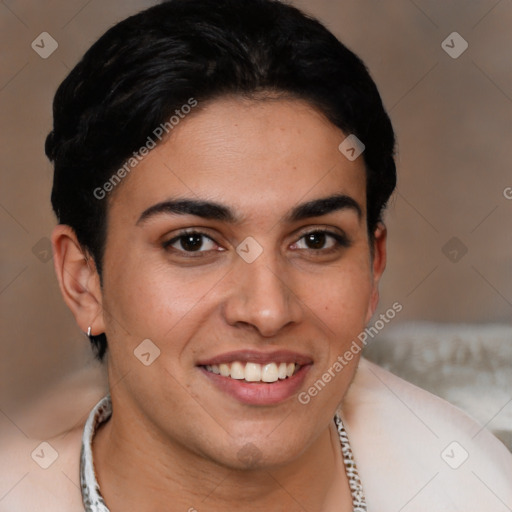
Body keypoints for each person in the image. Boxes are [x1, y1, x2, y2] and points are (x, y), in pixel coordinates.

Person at [7, 0, 511, 510]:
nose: (268, 311)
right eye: (192, 242)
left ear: (374, 266)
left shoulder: (476, 490)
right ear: (82, 280)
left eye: (316, 240)